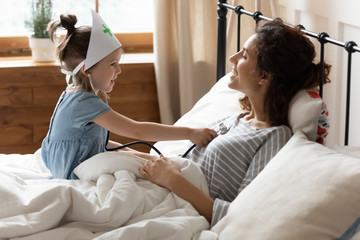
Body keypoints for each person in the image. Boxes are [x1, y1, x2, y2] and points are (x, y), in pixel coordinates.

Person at [139, 19, 331, 227]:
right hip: (162, 192)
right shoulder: (236, 119)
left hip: (180, 211)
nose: (233, 58)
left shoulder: (275, 137)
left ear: (264, 76)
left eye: (244, 55)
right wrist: (119, 150)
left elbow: (239, 216)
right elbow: (178, 163)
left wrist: (173, 181)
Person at [41, 11, 217, 180]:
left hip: (63, 168)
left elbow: (97, 143)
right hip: (73, 175)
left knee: (142, 161)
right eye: (112, 64)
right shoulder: (84, 103)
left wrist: (143, 156)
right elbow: (137, 130)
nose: (119, 70)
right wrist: (190, 132)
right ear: (87, 69)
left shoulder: (71, 94)